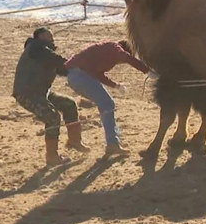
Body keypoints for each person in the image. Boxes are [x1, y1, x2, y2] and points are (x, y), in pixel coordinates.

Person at [13, 27, 90, 166]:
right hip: (27, 93)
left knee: (69, 104)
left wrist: (80, 69)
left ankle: (74, 141)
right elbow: (56, 60)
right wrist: (73, 63)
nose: (52, 37)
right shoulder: (35, 47)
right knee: (52, 117)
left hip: (42, 92)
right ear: (40, 36)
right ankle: (52, 156)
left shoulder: (45, 52)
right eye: (48, 35)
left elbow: (62, 68)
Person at [65, 40, 154, 156]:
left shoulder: (105, 54)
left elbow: (98, 75)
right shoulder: (114, 47)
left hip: (75, 77)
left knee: (106, 104)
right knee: (107, 104)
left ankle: (112, 141)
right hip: (80, 75)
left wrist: (116, 86)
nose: (120, 63)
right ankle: (112, 144)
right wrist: (146, 71)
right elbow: (126, 57)